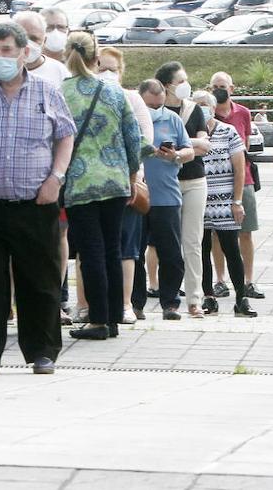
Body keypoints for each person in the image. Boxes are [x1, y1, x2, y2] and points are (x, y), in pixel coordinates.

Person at [0, 22, 76, 373]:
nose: (0, 57)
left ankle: (42, 351)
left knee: (39, 279)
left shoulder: (47, 92)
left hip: (35, 203)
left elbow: (65, 135)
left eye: (7, 50)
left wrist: (56, 178)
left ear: (25, 53)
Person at [61, 32, 144, 340]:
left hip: (79, 183)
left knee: (90, 252)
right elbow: (134, 139)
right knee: (112, 249)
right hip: (114, 181)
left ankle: (96, 320)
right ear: (97, 60)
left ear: (66, 57)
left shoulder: (60, 93)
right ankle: (111, 319)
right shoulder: (114, 93)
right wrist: (132, 176)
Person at [98, 47, 154, 322]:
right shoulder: (86, 97)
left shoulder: (131, 98)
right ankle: (91, 306)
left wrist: (135, 176)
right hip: (94, 186)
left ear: (121, 73)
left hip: (126, 184)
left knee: (126, 246)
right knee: (93, 248)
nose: (106, 74)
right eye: (101, 68)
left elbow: (145, 140)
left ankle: (124, 305)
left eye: (112, 69)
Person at [192, 90, 256, 317]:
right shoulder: (189, 134)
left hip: (225, 201)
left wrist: (237, 201)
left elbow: (240, 169)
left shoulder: (228, 132)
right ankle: (208, 296)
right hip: (197, 201)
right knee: (202, 250)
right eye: (196, 104)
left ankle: (241, 297)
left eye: (204, 104)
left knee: (231, 248)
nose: (201, 108)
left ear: (212, 107)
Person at [155, 62, 210, 317]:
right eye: (180, 81)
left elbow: (204, 146)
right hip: (167, 183)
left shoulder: (194, 110)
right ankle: (169, 295)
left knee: (192, 241)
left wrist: (183, 147)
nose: (185, 85)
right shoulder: (157, 111)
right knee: (168, 243)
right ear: (167, 86)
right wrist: (189, 146)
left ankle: (194, 298)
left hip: (195, 180)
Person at [137, 79, 195, 320]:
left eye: (160, 104)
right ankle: (135, 303)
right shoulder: (132, 119)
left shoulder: (172, 120)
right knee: (134, 253)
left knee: (171, 253)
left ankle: (170, 303)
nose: (156, 109)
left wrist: (175, 155)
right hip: (137, 196)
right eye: (150, 105)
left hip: (167, 197)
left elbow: (189, 151)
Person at [208, 71, 263, 301]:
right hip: (215, 184)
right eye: (215, 86)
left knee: (246, 231)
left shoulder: (243, 113)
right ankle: (220, 279)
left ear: (232, 88)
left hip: (244, 179)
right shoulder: (205, 115)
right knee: (216, 235)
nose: (219, 89)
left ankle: (249, 280)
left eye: (223, 85)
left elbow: (246, 145)